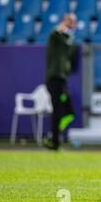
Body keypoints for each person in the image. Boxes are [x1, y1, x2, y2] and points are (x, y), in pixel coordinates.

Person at [43, 14, 78, 150]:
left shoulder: (68, 40)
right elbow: (56, 32)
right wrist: (64, 25)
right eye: (70, 21)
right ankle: (54, 142)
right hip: (54, 79)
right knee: (57, 110)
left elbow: (69, 46)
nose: (72, 24)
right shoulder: (55, 36)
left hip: (61, 80)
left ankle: (52, 136)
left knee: (69, 112)